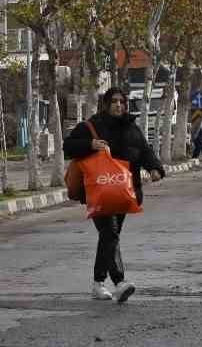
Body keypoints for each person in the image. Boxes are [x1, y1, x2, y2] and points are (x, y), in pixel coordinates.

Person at [63, 87, 165, 304]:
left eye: (122, 102)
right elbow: (68, 146)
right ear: (106, 104)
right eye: (114, 102)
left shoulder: (131, 128)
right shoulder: (91, 126)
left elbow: (144, 151)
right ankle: (116, 282)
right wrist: (90, 145)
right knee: (110, 233)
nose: (118, 105)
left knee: (110, 236)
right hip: (98, 192)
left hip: (124, 193)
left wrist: (154, 168)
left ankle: (101, 284)